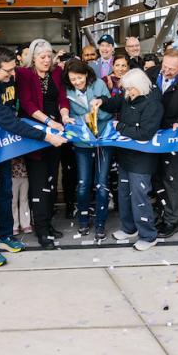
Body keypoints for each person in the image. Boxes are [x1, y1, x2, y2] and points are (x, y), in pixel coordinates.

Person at [0, 45, 67, 267]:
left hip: (2, 145)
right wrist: (47, 137)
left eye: (14, 69)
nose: (12, 75)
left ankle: (4, 236)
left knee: (6, 192)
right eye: (8, 71)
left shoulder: (5, 77)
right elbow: (11, 122)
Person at [94, 69, 163, 251]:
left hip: (142, 160)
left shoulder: (153, 104)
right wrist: (102, 101)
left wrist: (120, 126)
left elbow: (145, 133)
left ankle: (148, 236)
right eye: (125, 89)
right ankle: (128, 227)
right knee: (123, 194)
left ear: (140, 86)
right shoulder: (127, 97)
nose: (127, 92)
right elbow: (115, 103)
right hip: (125, 155)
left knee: (140, 197)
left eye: (130, 88)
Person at [16, 38, 72, 248]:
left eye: (49, 56)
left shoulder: (56, 73)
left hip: (56, 133)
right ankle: (41, 230)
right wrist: (49, 122)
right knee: (39, 183)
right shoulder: (24, 74)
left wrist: (64, 116)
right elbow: (28, 104)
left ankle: (48, 224)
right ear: (33, 57)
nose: (47, 60)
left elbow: (62, 99)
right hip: (36, 133)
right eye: (42, 57)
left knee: (50, 180)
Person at [145, 48, 178, 239]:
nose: (165, 71)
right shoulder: (151, 74)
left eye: (171, 69)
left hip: (172, 137)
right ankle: (161, 213)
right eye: (164, 66)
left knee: (171, 179)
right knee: (155, 178)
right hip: (151, 135)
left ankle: (172, 220)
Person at [62, 59, 114, 240]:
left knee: (102, 184)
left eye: (79, 77)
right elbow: (69, 117)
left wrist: (95, 112)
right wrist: (83, 117)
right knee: (83, 183)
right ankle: (83, 219)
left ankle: (100, 224)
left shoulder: (99, 84)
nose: (77, 82)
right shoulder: (67, 91)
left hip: (102, 140)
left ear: (86, 74)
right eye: (73, 79)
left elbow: (110, 110)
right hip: (82, 143)